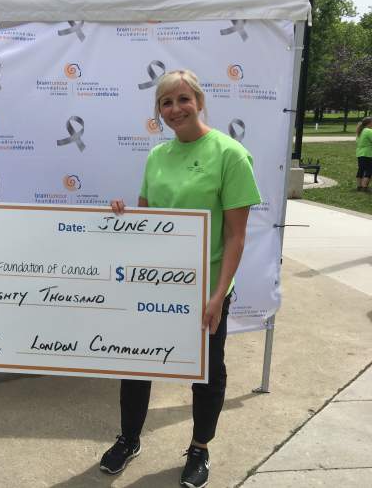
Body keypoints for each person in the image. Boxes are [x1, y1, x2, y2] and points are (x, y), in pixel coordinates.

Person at [100, 70, 261, 488]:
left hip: (206, 289)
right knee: (136, 362)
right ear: (158, 111)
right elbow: (147, 220)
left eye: (183, 99)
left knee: (206, 372)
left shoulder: (230, 154)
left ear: (200, 101)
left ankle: (199, 448)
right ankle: (129, 438)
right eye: (166, 103)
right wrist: (122, 216)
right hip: (156, 283)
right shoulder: (157, 156)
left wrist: (218, 295)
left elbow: (236, 236)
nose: (175, 109)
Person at [355, 117, 372, 192]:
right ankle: (364, 187)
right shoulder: (369, 131)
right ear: (370, 123)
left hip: (359, 153)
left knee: (361, 170)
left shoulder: (360, 131)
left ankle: (359, 186)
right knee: (369, 170)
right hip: (368, 153)